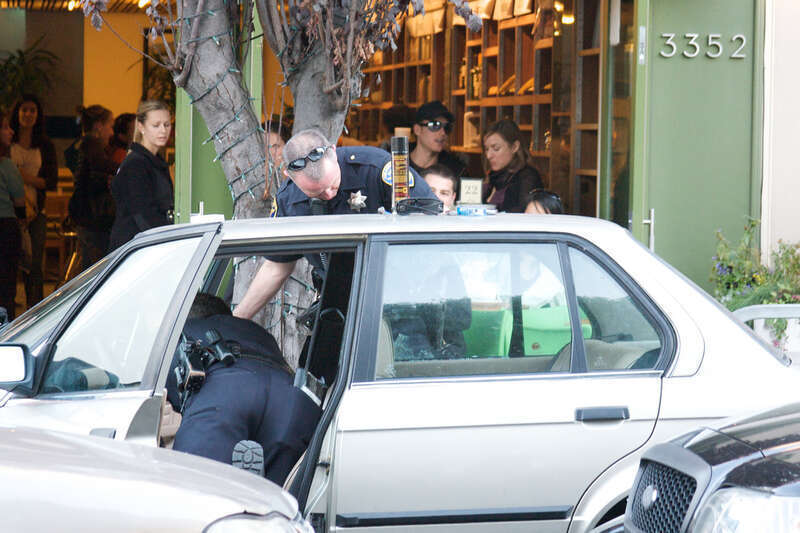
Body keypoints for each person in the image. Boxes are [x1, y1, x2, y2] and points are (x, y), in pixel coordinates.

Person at [234, 128, 438, 320]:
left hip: (400, 297)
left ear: (333, 151)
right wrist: (236, 321)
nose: (329, 194)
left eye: (332, 185)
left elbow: (429, 226)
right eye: (317, 193)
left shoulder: (376, 169)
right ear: (289, 175)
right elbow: (276, 266)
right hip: (338, 303)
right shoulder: (289, 199)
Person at [170, 293, 320, 485]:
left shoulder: (178, 333)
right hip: (292, 400)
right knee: (281, 502)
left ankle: (238, 500)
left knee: (196, 492)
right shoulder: (256, 332)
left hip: (223, 396)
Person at [10, 95, 58, 308]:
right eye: (24, 110)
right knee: (10, 263)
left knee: (35, 264)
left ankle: (35, 310)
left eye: (32, 111)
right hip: (9, 212)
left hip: (36, 212)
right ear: (17, 113)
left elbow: (51, 181)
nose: (28, 114)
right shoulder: (7, 140)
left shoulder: (45, 144)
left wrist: (24, 177)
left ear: (38, 116)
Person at [109, 100, 173, 251]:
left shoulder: (153, 161)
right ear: (141, 127)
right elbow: (144, 215)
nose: (163, 131)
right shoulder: (136, 164)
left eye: (167, 124)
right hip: (135, 249)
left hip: (146, 245)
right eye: (156, 125)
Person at [68, 105, 117, 269]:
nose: (111, 133)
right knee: (95, 266)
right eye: (110, 126)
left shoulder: (84, 145)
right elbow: (102, 167)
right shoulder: (92, 145)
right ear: (98, 126)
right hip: (92, 215)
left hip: (84, 213)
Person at [482, 119, 544, 213]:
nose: (488, 155)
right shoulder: (493, 177)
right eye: (486, 149)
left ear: (514, 147)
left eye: (496, 148)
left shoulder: (527, 178)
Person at [0, 113, 25, 321]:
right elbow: (19, 200)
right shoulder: (6, 165)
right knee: (7, 287)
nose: (11, 131)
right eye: (5, 127)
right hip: (6, 228)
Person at [409, 101, 466, 178]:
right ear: (417, 130)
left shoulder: (456, 171)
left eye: (447, 127)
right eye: (435, 125)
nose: (443, 133)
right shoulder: (396, 164)